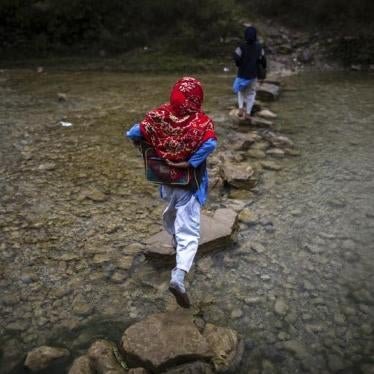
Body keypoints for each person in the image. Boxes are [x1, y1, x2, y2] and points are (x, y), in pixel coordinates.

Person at [126, 77, 217, 308]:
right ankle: (179, 275)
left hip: (165, 180)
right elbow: (210, 145)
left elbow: (133, 133)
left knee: (173, 211)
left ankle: (176, 242)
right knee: (190, 231)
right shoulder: (201, 122)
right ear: (196, 98)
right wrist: (189, 162)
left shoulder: (159, 116)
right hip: (188, 183)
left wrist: (147, 148)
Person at [233, 26, 267, 120]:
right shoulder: (259, 47)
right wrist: (263, 67)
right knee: (251, 93)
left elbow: (236, 57)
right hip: (253, 74)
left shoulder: (241, 46)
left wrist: (239, 64)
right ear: (255, 36)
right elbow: (263, 60)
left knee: (241, 91)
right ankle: (248, 113)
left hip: (242, 73)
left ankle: (240, 108)